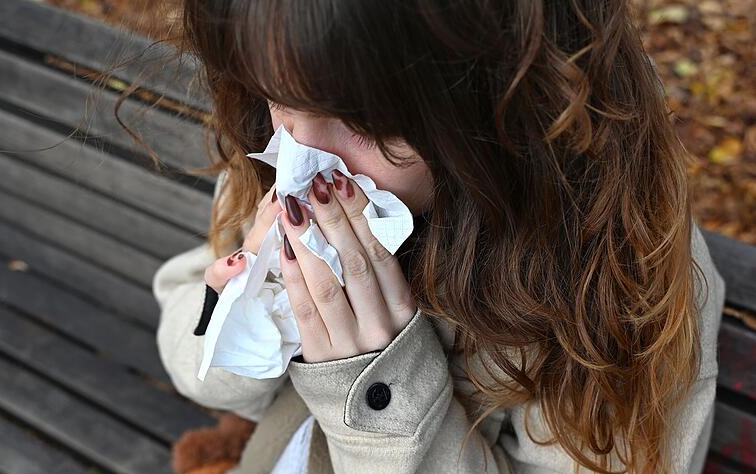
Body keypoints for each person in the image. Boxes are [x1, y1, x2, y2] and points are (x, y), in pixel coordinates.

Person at [151, 1, 727, 472]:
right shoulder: (278, 166)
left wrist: (377, 391)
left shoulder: (617, 276)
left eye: (369, 123)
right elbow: (193, 365)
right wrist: (247, 312)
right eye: (276, 96)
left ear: (507, 101)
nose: (303, 159)